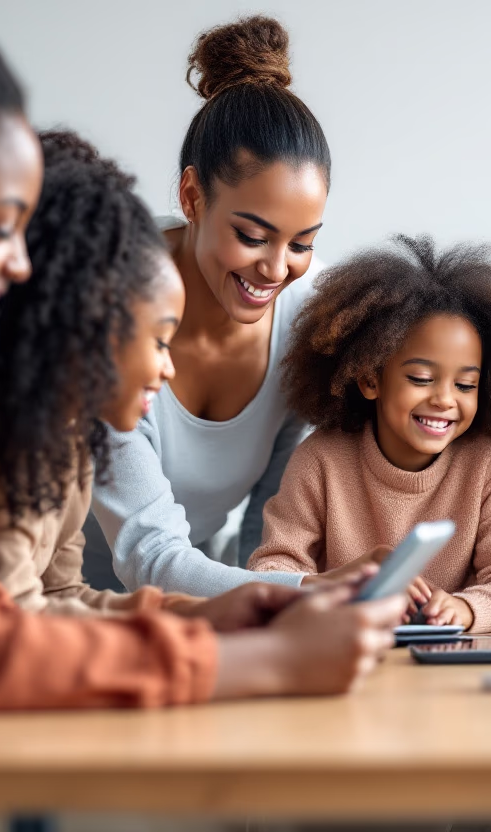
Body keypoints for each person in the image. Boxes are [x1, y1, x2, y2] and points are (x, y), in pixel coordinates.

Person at [0, 4, 402, 822]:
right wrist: (257, 663)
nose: (21, 264)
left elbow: (20, 607)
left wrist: (214, 615)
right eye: (0, 225)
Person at [0, 129, 227, 616]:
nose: (168, 368)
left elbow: (60, 595)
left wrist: (212, 614)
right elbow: (14, 621)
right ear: (89, 325)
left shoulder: (71, 441)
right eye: (161, 340)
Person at [86, 15, 338, 595]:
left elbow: (269, 528)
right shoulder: (111, 299)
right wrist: (300, 594)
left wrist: (277, 598)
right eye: (252, 236)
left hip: (194, 603)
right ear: (192, 195)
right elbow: (148, 553)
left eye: (302, 244)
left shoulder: (309, 314)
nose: (276, 270)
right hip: (60, 601)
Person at [246, 235, 491, 633]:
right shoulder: (321, 459)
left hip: (448, 668)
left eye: (465, 385)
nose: (444, 399)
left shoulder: (488, 462)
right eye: (422, 378)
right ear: (371, 379)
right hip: (343, 655)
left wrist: (466, 610)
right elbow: (271, 568)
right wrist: (336, 590)